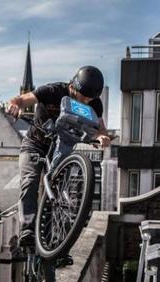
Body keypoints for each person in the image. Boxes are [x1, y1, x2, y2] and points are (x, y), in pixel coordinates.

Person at [6, 66, 111, 248]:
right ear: (73, 86)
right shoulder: (53, 91)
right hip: (36, 143)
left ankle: (55, 242)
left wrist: (102, 136)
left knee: (60, 193)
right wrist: (15, 105)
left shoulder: (94, 104)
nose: (85, 101)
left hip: (61, 147)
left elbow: (100, 128)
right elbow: (23, 99)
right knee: (30, 181)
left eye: (89, 99)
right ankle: (28, 228)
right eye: (82, 97)